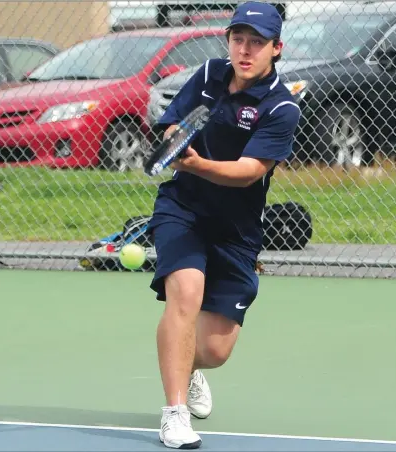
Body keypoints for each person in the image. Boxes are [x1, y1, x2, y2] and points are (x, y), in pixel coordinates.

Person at [147, 1, 301, 449]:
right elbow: (171, 123)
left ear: (276, 48)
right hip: (183, 208)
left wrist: (195, 163)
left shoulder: (281, 106)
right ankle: (174, 414)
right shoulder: (211, 73)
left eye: (257, 42)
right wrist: (174, 141)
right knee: (186, 292)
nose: (245, 50)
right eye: (238, 39)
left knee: (214, 350)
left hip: (236, 229)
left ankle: (188, 367)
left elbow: (250, 171)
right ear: (228, 41)